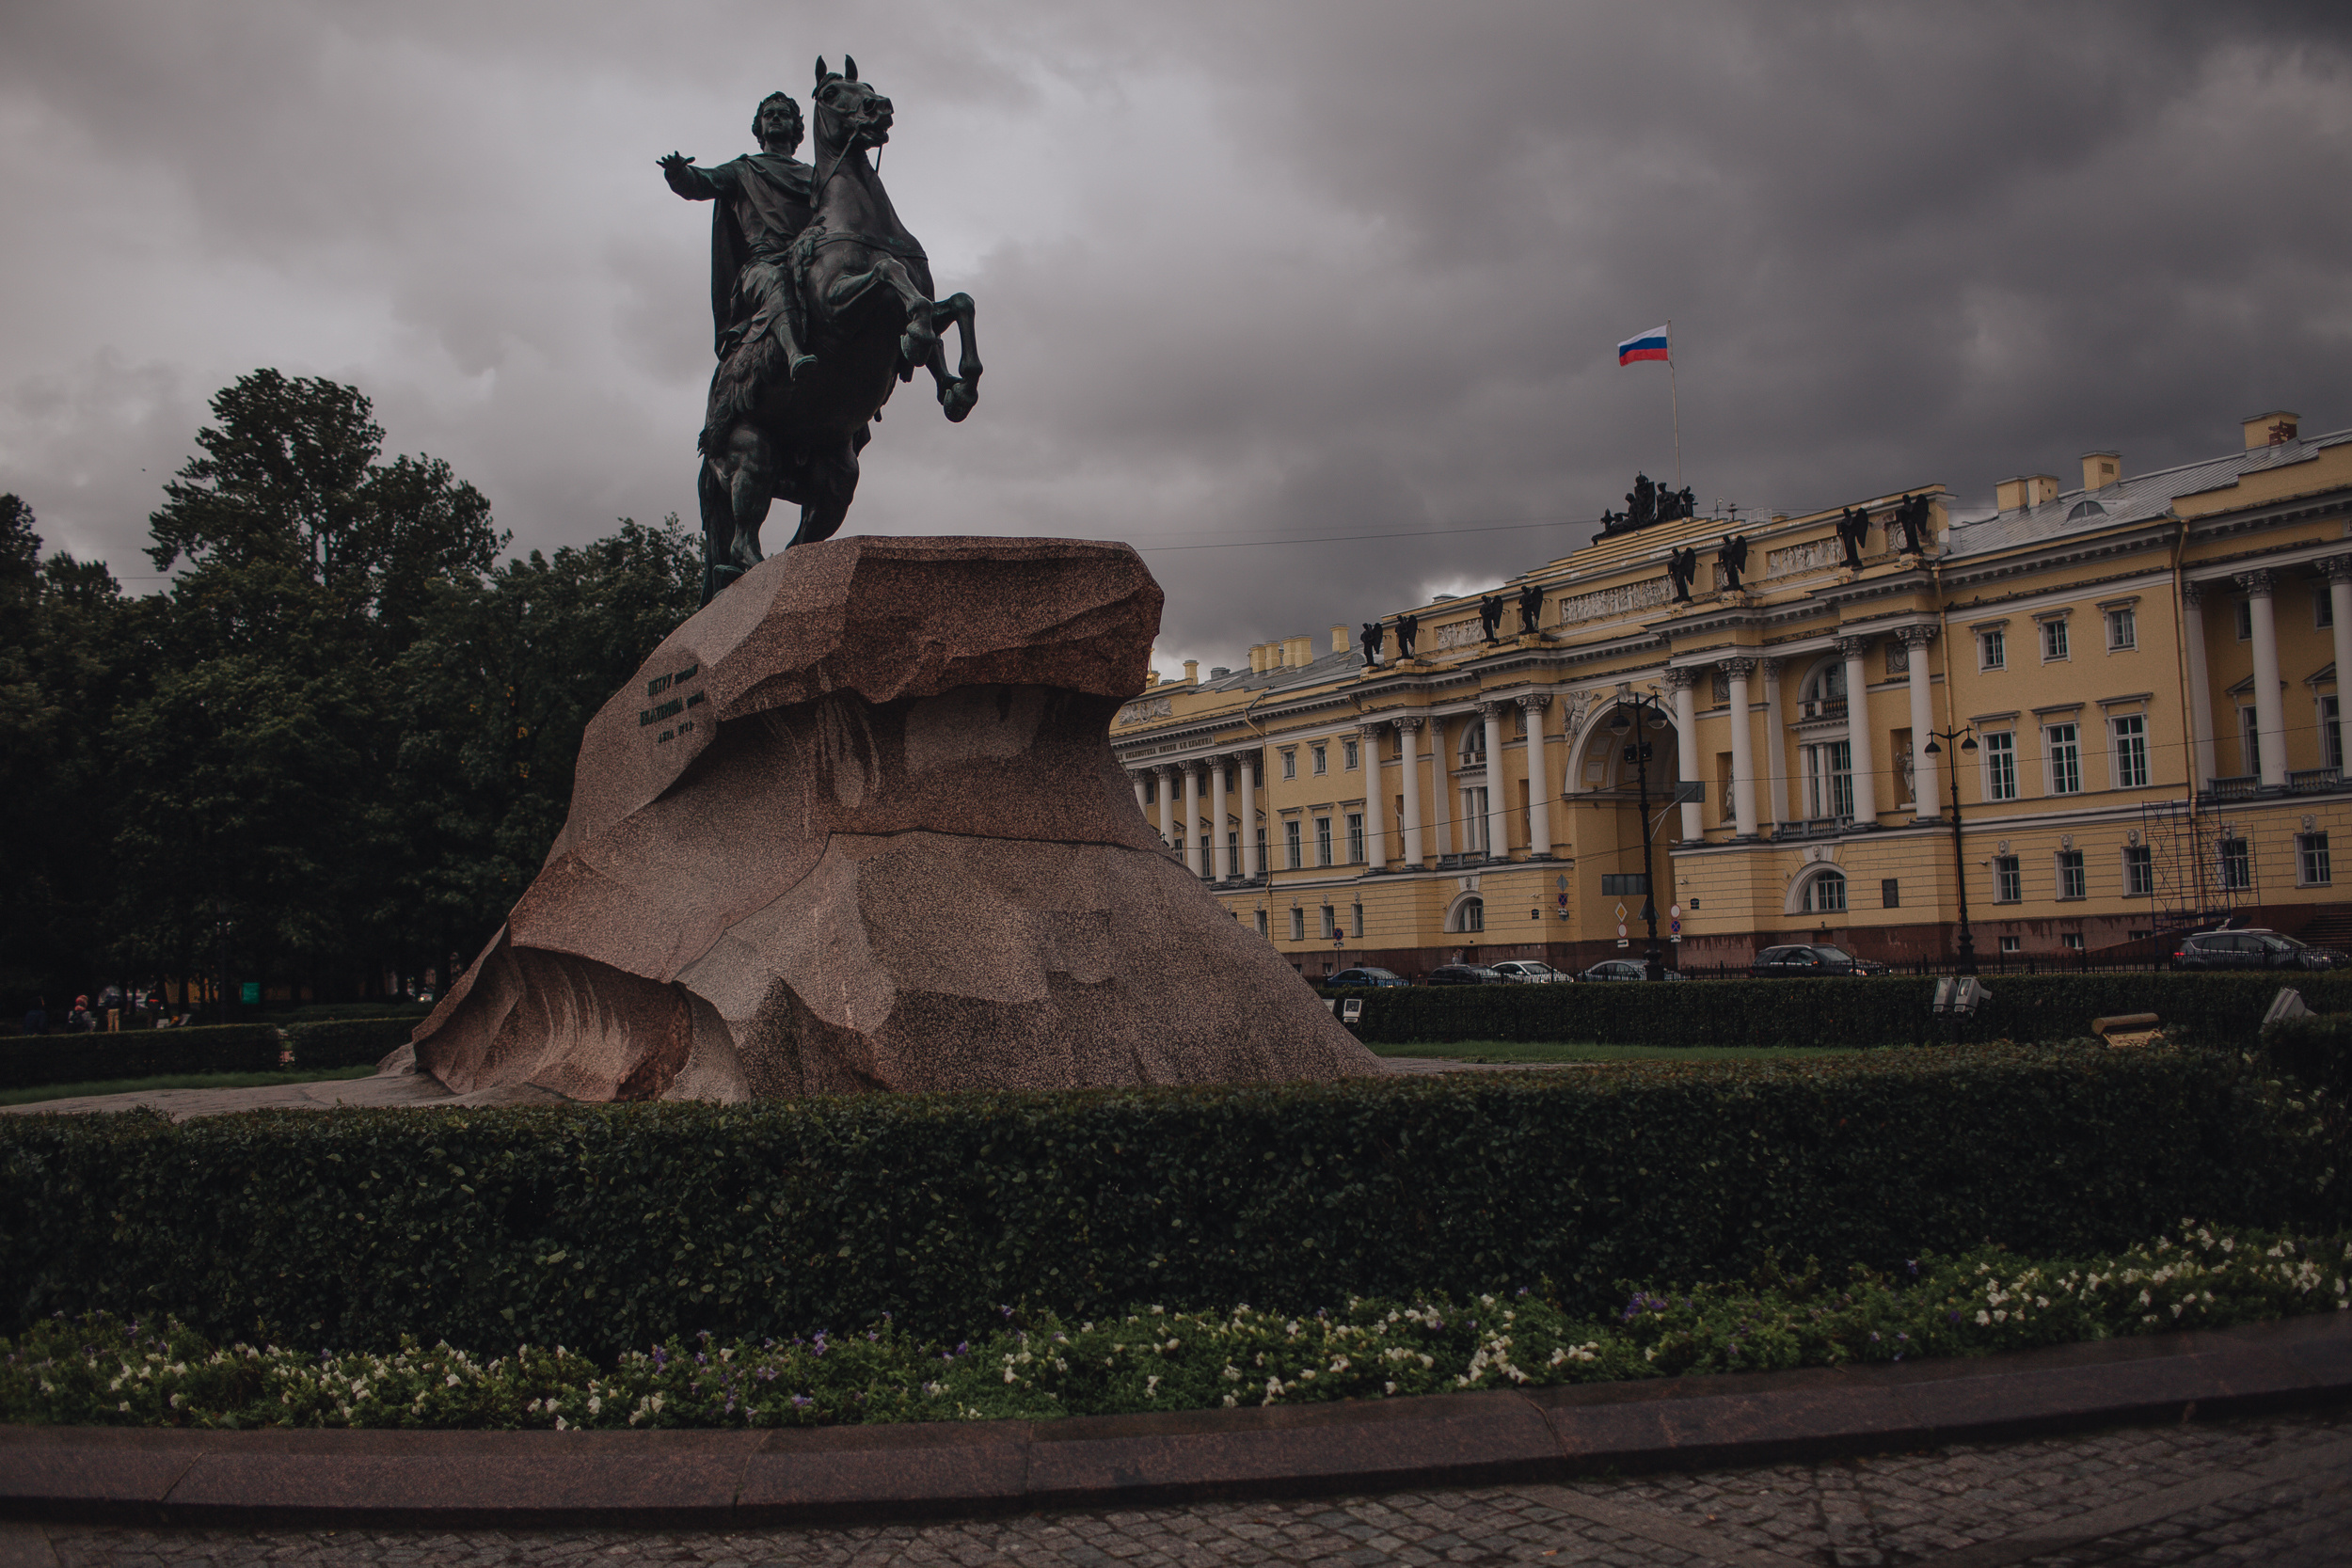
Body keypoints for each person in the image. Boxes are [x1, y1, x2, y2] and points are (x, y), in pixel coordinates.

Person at [660, 92, 820, 456]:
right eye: (769, 115)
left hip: (807, 265)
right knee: (774, 283)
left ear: (797, 128)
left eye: (783, 115)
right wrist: (678, 174)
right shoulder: (744, 169)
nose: (776, 119)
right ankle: (795, 354)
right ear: (759, 127)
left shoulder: (815, 177)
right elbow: (702, 183)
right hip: (762, 267)